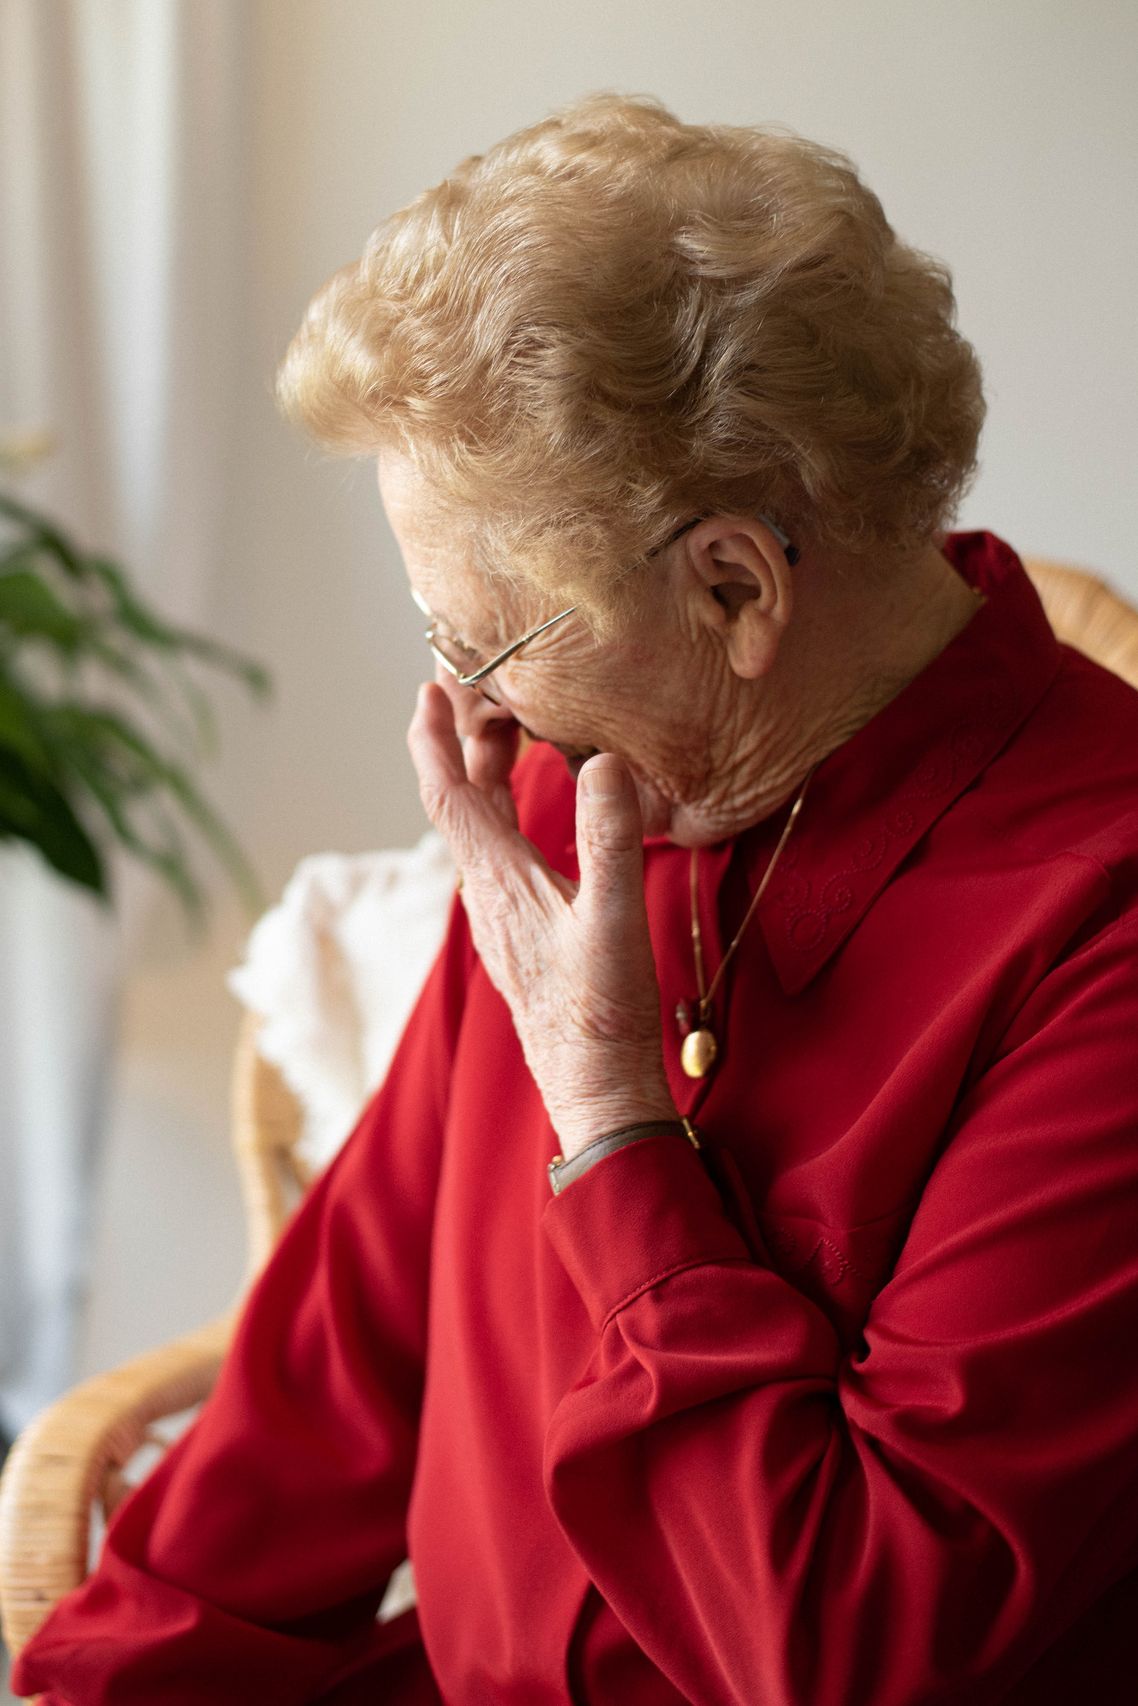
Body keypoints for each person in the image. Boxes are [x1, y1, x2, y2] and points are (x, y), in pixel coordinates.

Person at [12, 92, 1138, 1706]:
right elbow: (357, 1333)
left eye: (485, 638)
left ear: (734, 585)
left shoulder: (1098, 920)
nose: (471, 714)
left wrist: (614, 1132)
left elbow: (843, 1647)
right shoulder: (569, 789)